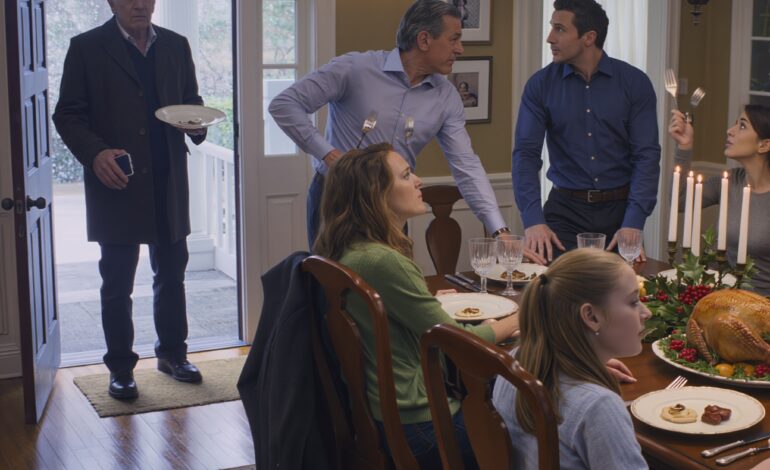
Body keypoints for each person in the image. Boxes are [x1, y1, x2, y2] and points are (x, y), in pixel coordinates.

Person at [313, 143, 521, 469]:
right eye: (407, 175)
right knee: (526, 430)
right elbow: (456, 344)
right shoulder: (383, 261)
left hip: (378, 410)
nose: (419, 181)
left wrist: (428, 303)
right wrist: (518, 317)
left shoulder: (349, 250)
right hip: (421, 420)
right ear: (376, 194)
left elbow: (389, 314)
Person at [269, 0, 521, 254]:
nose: (460, 49)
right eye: (454, 39)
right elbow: (284, 105)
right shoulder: (355, 69)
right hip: (339, 199)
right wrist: (330, 155)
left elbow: (466, 166)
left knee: (394, 287)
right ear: (424, 40)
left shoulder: (446, 97)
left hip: (395, 206)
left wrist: (500, 230)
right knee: (332, 287)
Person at [52, 0, 206, 399]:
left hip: (169, 181)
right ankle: (120, 367)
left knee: (172, 275)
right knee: (117, 282)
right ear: (111, 2)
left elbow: (190, 100)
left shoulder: (176, 44)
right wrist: (95, 153)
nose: (139, 4)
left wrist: (198, 125)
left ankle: (173, 355)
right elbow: (67, 114)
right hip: (117, 181)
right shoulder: (86, 47)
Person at [512, 0, 660, 262]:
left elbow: (646, 157)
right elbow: (525, 155)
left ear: (589, 37)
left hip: (620, 215)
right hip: (564, 212)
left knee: (620, 297)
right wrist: (533, 220)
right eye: (551, 28)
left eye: (559, 29)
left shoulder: (635, 84)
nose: (550, 38)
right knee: (558, 295)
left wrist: (634, 221)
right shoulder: (540, 85)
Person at [492, 249, 650, 469]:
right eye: (633, 302)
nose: (646, 312)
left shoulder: (517, 359)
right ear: (591, 316)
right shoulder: (598, 406)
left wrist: (590, 361)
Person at [668, 105, 770, 296]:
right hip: (725, 298)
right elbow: (680, 201)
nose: (729, 131)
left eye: (741, 126)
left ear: (764, 145)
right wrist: (684, 146)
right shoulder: (728, 182)